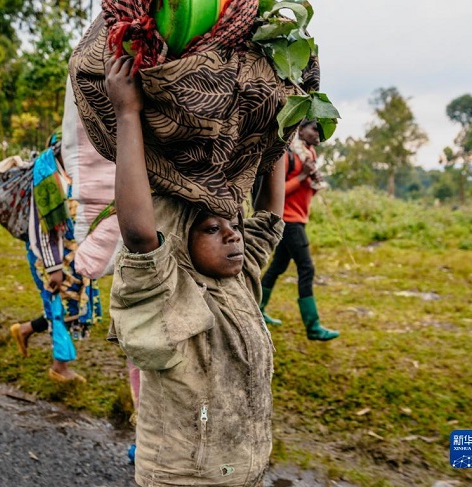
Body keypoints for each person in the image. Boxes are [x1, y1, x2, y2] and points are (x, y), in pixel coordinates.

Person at [105, 55, 285, 486]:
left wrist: (278, 134)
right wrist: (128, 113)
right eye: (211, 228)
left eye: (233, 225)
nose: (234, 235)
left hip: (243, 473)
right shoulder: (167, 295)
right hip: (183, 478)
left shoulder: (237, 278)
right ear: (180, 240)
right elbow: (141, 235)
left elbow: (270, 218)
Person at [10, 130, 102, 383]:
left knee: (70, 306)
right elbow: (42, 230)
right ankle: (59, 367)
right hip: (49, 259)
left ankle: (25, 330)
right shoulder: (47, 179)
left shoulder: (71, 176)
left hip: (71, 257)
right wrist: (53, 268)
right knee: (58, 307)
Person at [258, 119, 340, 341]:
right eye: (314, 128)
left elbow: (306, 192)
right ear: (300, 129)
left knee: (278, 266)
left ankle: (258, 311)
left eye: (320, 132)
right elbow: (279, 191)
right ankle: (313, 327)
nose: (318, 134)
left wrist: (313, 181)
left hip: (299, 218)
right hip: (288, 220)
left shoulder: (309, 155)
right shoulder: (287, 154)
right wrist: (303, 175)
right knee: (306, 268)